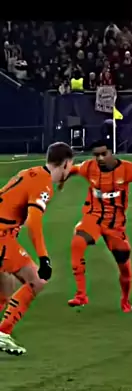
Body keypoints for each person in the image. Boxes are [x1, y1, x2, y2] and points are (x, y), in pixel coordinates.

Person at [0, 142, 74, 356]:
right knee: (37, 280)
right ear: (66, 163)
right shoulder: (44, 183)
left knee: (6, 288)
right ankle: (3, 332)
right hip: (2, 235)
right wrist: (43, 258)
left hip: (5, 234)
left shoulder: (30, 172)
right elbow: (33, 222)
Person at [67, 140, 132, 312]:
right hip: (93, 218)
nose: (100, 158)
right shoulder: (89, 167)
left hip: (115, 225)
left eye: (103, 154)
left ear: (111, 152)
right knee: (77, 242)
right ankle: (81, 295)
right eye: (96, 155)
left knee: (124, 267)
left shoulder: (128, 169)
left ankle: (125, 300)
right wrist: (62, 178)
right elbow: (74, 169)